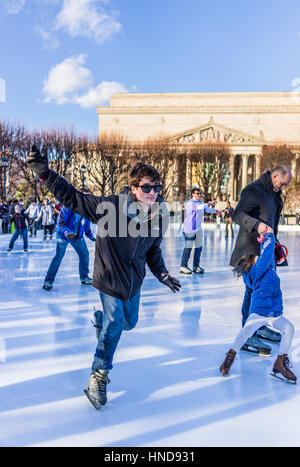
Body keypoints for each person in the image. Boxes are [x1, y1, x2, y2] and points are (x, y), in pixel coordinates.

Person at [28, 147, 181, 410]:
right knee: (114, 323)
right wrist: (44, 173)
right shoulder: (110, 206)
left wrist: (163, 274)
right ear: (133, 188)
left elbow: (153, 250)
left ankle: (99, 320)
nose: (153, 193)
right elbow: (73, 198)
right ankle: (98, 375)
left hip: (133, 282)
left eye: (157, 188)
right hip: (109, 277)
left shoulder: (158, 216)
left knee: (128, 323)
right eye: (147, 188)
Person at [220, 227, 296, 384]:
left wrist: (262, 240)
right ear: (252, 261)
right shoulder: (257, 269)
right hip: (260, 312)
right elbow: (268, 253)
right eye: (256, 256)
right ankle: (230, 356)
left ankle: (280, 362)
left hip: (274, 314)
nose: (259, 256)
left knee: (289, 328)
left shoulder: (264, 270)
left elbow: (267, 253)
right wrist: (268, 234)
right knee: (246, 331)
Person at [230, 166, 292, 354]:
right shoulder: (253, 190)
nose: (282, 187)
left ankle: (259, 326)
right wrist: (257, 225)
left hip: (267, 251)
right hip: (250, 252)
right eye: (282, 183)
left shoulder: (273, 193)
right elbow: (237, 215)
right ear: (274, 176)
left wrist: (275, 245)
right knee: (252, 291)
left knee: (265, 290)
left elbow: (272, 222)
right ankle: (247, 332)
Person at [43, 205, 96, 291]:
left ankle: (84, 277)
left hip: (77, 237)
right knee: (58, 257)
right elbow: (60, 222)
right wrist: (67, 232)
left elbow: (86, 226)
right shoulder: (69, 206)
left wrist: (91, 236)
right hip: (64, 236)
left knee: (84, 255)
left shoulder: (86, 209)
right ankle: (48, 281)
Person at [180, 188, 217, 275]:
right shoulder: (190, 203)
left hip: (198, 229)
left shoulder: (200, 203)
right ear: (193, 194)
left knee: (198, 248)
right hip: (189, 229)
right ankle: (183, 266)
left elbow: (206, 209)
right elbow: (198, 208)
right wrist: (208, 203)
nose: (199, 195)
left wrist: (217, 211)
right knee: (188, 248)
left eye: (200, 193)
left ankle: (195, 266)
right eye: (197, 193)